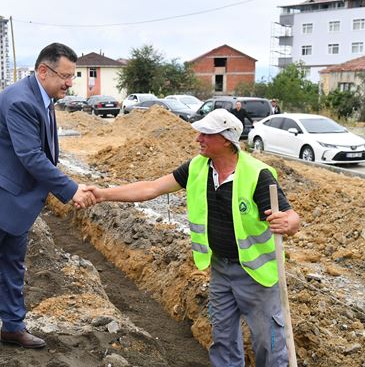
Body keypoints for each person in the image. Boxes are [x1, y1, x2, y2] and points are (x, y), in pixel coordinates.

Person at [87, 108, 300, 367]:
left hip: (257, 275)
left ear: (225, 139)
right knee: (222, 339)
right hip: (220, 270)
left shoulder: (257, 175)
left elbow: (291, 217)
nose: (198, 138)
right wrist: (102, 194)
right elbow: (152, 188)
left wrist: (287, 223)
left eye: (205, 134)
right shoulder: (197, 168)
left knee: (268, 343)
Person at [0, 43, 96, 367]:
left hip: (16, 202)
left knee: (14, 268)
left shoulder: (44, 98)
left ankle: (12, 327)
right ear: (43, 71)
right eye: (65, 76)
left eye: (72, 77)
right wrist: (71, 189)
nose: (70, 83)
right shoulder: (22, 100)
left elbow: (41, 155)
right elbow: (31, 156)